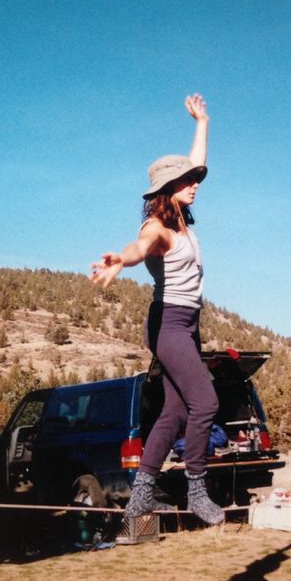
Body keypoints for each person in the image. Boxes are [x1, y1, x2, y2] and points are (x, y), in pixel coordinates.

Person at [90, 94, 224, 526]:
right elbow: (139, 246)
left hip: (187, 324)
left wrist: (201, 122)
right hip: (167, 324)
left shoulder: (183, 217)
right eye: (187, 180)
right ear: (167, 189)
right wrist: (120, 261)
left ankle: (141, 495)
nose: (195, 183)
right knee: (205, 402)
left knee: (176, 412)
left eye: (194, 178)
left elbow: (197, 162)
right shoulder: (159, 228)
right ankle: (196, 489)